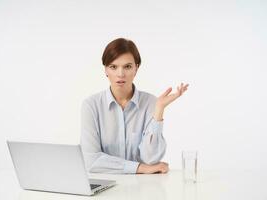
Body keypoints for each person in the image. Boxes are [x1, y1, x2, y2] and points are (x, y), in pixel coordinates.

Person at [80, 38, 188, 174]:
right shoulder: (91, 105)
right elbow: (91, 160)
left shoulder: (151, 103)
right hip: (105, 186)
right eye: (113, 67)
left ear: (136, 69)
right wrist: (140, 168)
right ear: (106, 70)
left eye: (127, 66)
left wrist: (159, 111)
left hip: (142, 187)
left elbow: (151, 159)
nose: (120, 74)